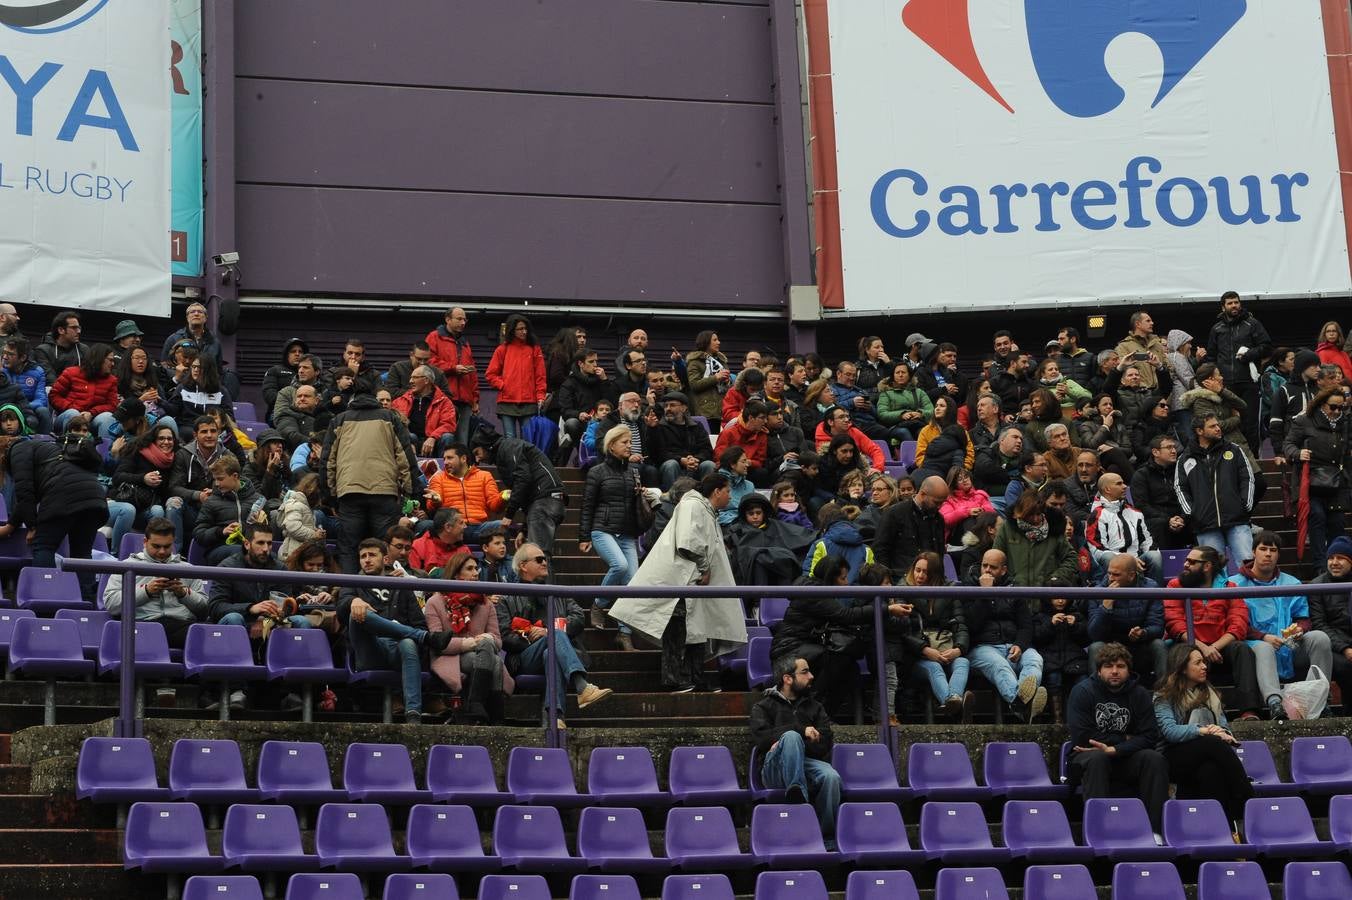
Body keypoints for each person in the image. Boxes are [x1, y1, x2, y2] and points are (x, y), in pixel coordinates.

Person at [612, 472, 747, 691]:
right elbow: (687, 542)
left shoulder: (705, 509)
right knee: (676, 630)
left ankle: (696, 677)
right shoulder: (693, 506)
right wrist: (704, 568)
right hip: (679, 580)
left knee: (698, 629)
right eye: (728, 491)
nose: (730, 496)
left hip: (692, 581)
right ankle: (672, 680)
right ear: (717, 491)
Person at [339, 538, 454, 724]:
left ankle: (413, 715)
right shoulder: (352, 582)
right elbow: (341, 610)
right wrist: (353, 601)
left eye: (372, 555)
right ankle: (426, 638)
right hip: (370, 650)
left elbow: (419, 623)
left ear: (385, 559)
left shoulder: (401, 586)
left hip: (397, 650)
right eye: (363, 556)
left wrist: (401, 632)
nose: (367, 560)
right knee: (357, 614)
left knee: (408, 642)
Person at [497, 543, 612, 726]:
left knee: (550, 653)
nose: (545, 563)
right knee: (555, 636)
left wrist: (547, 633)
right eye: (539, 559)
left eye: (546, 559)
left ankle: (555, 717)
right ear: (523, 566)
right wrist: (537, 637)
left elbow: (578, 618)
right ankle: (581, 686)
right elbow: (505, 637)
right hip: (524, 657)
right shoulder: (506, 598)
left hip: (555, 654)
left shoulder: (559, 593)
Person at [1066, 642, 1170, 837]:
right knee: (1098, 758)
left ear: (1129, 670)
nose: (1114, 671)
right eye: (1108, 666)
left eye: (1120, 666)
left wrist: (1115, 749)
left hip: (1124, 757)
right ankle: (1099, 832)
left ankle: (1155, 831)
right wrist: (1125, 738)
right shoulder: (1083, 691)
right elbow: (1083, 736)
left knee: (1154, 759)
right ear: (1098, 670)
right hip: (1086, 756)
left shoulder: (1139, 694)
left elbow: (1149, 736)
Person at [1231, 530, 1333, 721]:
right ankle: (1274, 703)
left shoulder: (1292, 582)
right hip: (1254, 644)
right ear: (1254, 552)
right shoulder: (1234, 584)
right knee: (1264, 648)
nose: (1268, 554)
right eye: (1263, 549)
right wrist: (1263, 637)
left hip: (1289, 645)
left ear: (1278, 555)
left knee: (1320, 638)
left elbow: (1303, 617)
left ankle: (1321, 700)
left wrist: (1299, 629)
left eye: (1273, 550)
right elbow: (1234, 624)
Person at [321, 376, 418, 573]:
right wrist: (411, 491)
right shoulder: (389, 418)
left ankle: (349, 592)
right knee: (383, 547)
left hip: (349, 492)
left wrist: (330, 496)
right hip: (384, 492)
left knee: (349, 547)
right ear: (374, 396)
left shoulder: (339, 420)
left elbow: (327, 462)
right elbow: (405, 457)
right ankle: (385, 594)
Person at [1154, 643, 1254, 833]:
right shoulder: (1163, 696)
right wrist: (1204, 730)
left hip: (1206, 755)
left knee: (1211, 771)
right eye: (1198, 663)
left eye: (1204, 662)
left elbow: (1223, 727)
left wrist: (1223, 734)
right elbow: (1170, 732)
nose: (1204, 667)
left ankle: (1222, 831)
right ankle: (1247, 796)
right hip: (1173, 757)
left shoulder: (1210, 694)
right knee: (1212, 743)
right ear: (1182, 667)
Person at [9, 418, 107, 602]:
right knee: (82, 554)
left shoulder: (18, 450)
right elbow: (32, 493)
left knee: (43, 545)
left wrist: (32, 526)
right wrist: (13, 523)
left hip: (63, 496)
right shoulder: (48, 449)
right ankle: (85, 601)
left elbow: (24, 491)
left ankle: (44, 597)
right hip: (94, 498)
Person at [750, 655, 843, 847]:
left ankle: (827, 838)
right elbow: (762, 739)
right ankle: (798, 796)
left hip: (806, 763)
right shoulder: (763, 706)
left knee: (831, 777)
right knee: (791, 737)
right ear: (787, 678)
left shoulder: (815, 707)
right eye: (805, 671)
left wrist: (795, 745)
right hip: (775, 767)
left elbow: (824, 744)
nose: (811, 676)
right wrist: (798, 734)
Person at [1163, 545, 1262, 719]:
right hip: (1189, 645)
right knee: (1173, 650)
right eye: (1186, 560)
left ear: (1207, 566)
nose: (1185, 564)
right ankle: (1177, 712)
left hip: (1219, 648)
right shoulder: (1175, 585)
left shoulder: (1229, 587)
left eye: (1192, 562)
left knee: (1242, 649)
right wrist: (1201, 648)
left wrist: (1213, 648)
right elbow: (1174, 623)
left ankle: (1249, 711)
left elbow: (1238, 623)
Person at [424, 551, 511, 724]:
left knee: (489, 651)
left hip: (480, 655)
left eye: (476, 568)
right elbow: (437, 642)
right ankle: (495, 715)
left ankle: (475, 703)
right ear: (456, 574)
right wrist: (468, 643)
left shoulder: (485, 603)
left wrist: (485, 640)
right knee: (494, 660)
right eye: (469, 569)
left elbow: (498, 641)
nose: (476, 573)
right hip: (449, 657)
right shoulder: (435, 602)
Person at [963, 549, 1048, 722]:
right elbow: (971, 625)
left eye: (992, 567)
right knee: (1000, 665)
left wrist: (1020, 645)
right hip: (983, 647)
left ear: (1003, 570)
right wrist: (985, 594)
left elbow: (1026, 625)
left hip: (1013, 644)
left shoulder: (1013, 589)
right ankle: (1023, 705)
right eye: (984, 566)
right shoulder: (968, 588)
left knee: (1035, 660)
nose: (987, 571)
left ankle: (1021, 703)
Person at [579, 425, 646, 643]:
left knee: (632, 584)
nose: (629, 446)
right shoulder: (596, 471)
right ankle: (598, 605)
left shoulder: (633, 471)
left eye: (630, 442)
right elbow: (587, 505)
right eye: (624, 442)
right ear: (611, 445)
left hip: (627, 532)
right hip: (602, 529)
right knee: (620, 566)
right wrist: (583, 536)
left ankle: (624, 634)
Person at [101, 517, 208, 648]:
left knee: (211, 637)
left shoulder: (187, 569)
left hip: (181, 626)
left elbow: (204, 609)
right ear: (145, 542)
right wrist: (146, 591)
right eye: (156, 546)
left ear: (173, 542)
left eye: (167, 546)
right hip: (141, 625)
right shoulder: (126, 567)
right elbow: (111, 604)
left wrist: (184, 594)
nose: (162, 551)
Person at [898, 553, 974, 723]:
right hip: (917, 656)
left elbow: (961, 625)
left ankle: (953, 700)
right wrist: (924, 649)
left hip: (946, 650)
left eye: (926, 572)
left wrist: (958, 649)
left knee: (963, 662)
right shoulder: (902, 589)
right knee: (934, 668)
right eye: (917, 570)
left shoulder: (949, 590)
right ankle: (956, 706)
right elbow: (903, 631)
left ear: (936, 575)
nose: (920, 575)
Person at [1174, 413, 1256, 569]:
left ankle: (1249, 595)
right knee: (1213, 571)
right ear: (1199, 431)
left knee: (1247, 565)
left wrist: (1245, 505)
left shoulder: (1234, 450)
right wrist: (1193, 513)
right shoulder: (1185, 458)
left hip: (1237, 519)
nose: (1218, 428)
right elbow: (1180, 488)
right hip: (1205, 523)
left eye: (1218, 425)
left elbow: (1248, 478)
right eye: (1212, 426)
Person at [472, 426, 567, 554]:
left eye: (477, 453)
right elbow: (528, 491)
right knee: (540, 556)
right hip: (548, 501)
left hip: (545, 502)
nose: (477, 459)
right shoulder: (507, 449)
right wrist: (524, 530)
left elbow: (523, 479)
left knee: (538, 557)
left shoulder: (508, 447)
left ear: (486, 445)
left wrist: (509, 514)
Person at [1283, 387, 1350, 562]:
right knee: (1317, 518)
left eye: (1341, 407)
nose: (1337, 411)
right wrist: (1298, 453)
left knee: (1338, 523)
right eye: (1333, 407)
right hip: (1310, 482)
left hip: (1337, 481)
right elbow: (1288, 444)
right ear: (1321, 404)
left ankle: (1339, 565)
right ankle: (1320, 566)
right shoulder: (1305, 420)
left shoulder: (1347, 423)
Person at [1087, 553, 1167, 685]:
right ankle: (1096, 694)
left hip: (1140, 647)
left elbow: (1157, 626)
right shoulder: (1098, 591)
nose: (1111, 579)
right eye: (1109, 573)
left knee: (1158, 645)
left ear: (1131, 575)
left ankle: (1165, 694)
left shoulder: (1151, 588)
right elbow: (1094, 634)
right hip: (1111, 648)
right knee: (1096, 647)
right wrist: (1105, 608)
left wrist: (1143, 633)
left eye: (1116, 575)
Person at [1205, 291, 1270, 451]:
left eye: (1236, 302)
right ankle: (1229, 458)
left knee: (1250, 422)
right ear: (1223, 306)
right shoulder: (1217, 328)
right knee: (1228, 421)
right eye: (1230, 303)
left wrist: (1249, 354)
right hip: (1225, 384)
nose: (1234, 305)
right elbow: (1211, 356)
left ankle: (1254, 459)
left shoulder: (1252, 323)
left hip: (1248, 382)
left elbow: (1267, 347)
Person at [112, 423, 187, 546]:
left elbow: (169, 490)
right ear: (153, 440)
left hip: (147, 508)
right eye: (161, 438)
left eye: (170, 439)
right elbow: (117, 478)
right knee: (128, 510)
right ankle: (116, 555)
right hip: (124, 503)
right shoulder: (137, 452)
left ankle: (153, 551)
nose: (166, 442)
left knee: (158, 510)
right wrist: (143, 478)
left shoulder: (175, 460)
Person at [1085, 472, 1161, 583]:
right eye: (1119, 484)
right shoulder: (1097, 514)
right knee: (1108, 557)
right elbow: (1097, 549)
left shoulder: (1135, 513)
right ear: (1107, 489)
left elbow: (1147, 542)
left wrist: (1134, 560)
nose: (1125, 486)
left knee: (1155, 555)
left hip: (1137, 560)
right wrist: (1128, 561)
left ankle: (1156, 594)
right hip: (1113, 562)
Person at [994, 491, 1078, 587]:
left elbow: (1071, 557)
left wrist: (1055, 578)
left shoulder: (1054, 529)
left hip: (1045, 595)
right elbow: (995, 557)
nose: (1035, 519)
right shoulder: (1007, 528)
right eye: (1030, 515)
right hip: (1015, 595)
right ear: (1020, 513)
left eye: (1038, 514)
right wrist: (1009, 581)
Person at [873, 474, 949, 577]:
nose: (939, 507)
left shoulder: (938, 519)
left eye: (942, 503)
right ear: (922, 494)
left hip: (930, 581)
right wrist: (887, 579)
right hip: (900, 581)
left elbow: (939, 555)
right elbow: (880, 550)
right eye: (936, 502)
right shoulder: (894, 514)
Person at [485, 314, 546, 440]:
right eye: (520, 329)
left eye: (525, 328)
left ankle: (523, 460)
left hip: (529, 402)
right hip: (507, 402)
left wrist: (540, 396)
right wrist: (503, 385)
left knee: (528, 439)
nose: (524, 331)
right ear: (512, 330)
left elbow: (540, 376)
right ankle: (511, 460)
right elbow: (490, 374)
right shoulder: (502, 349)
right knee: (510, 438)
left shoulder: (535, 349)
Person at [194, 456, 264, 566]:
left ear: (235, 476)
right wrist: (221, 531)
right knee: (240, 551)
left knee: (273, 557)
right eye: (215, 479)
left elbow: (268, 535)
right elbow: (199, 535)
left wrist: (261, 525)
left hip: (252, 548)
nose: (216, 484)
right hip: (218, 550)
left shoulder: (259, 500)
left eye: (220, 479)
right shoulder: (211, 502)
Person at [1310, 536, 1352, 714]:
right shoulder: (1316, 586)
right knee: (1346, 667)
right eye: (1331, 558)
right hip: (1334, 648)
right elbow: (1319, 624)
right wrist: (1345, 648)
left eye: (1341, 558)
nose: (1335, 562)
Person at [425, 307, 479, 444]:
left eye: (465, 319)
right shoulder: (434, 337)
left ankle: (463, 465)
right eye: (459, 319)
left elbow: (472, 373)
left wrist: (475, 400)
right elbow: (429, 362)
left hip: (465, 401)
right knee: (445, 438)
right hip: (443, 398)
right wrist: (453, 368)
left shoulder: (465, 342)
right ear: (448, 320)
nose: (463, 323)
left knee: (462, 442)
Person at [1131, 435, 1193, 550]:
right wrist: (1168, 520)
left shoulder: (1181, 470)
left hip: (1182, 517)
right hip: (1158, 519)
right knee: (1158, 524)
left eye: (1174, 447)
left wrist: (1182, 518)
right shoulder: (1142, 474)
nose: (1174, 451)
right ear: (1155, 452)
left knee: (1199, 519)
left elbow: (1190, 498)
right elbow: (1142, 505)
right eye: (1169, 447)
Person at [1034, 595, 1089, 722]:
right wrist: (1050, 624)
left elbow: (1086, 639)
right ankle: (1057, 720)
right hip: (1050, 661)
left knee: (1083, 681)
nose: (1060, 601)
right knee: (1054, 678)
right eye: (1055, 598)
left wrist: (1075, 626)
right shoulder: (1040, 617)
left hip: (1075, 661)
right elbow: (1036, 638)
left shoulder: (1078, 616)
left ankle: (1080, 720)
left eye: (1064, 597)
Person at [49, 342, 118, 438]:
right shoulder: (71, 372)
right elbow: (54, 395)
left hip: (92, 419)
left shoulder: (111, 380)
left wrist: (92, 413)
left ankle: (103, 451)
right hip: (67, 417)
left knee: (107, 417)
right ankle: (67, 449)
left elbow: (112, 405)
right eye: (110, 360)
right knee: (73, 413)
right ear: (99, 359)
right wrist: (73, 408)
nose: (113, 364)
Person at [558, 349, 617, 457]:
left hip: (600, 421)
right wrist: (578, 415)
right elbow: (565, 410)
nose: (595, 365)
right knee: (572, 423)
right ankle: (580, 452)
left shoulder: (600, 380)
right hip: (581, 422)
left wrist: (604, 380)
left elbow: (611, 403)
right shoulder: (569, 383)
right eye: (591, 362)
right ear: (580, 364)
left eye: (596, 361)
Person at [391, 365, 458, 457]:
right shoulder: (400, 401)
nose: (410, 381)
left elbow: (448, 424)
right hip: (411, 441)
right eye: (411, 378)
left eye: (415, 378)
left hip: (434, 442)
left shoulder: (444, 402)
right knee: (410, 436)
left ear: (426, 380)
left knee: (447, 437)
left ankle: (445, 469)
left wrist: (433, 437)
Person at [2, 336, 49, 434]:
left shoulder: (37, 371)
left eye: (10, 354)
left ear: (22, 357)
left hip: (27, 409)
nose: (5, 357)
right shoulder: (1, 371)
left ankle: (44, 442)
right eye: (4, 353)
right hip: (4, 408)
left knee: (43, 411)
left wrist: (20, 408)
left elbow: (41, 399)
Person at [1114, 310, 1169, 391]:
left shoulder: (1157, 344)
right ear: (1137, 324)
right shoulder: (1124, 346)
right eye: (1148, 321)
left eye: (1151, 321)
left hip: (1160, 393)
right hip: (1138, 394)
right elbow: (1123, 372)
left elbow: (1167, 366)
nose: (1152, 323)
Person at [261, 338, 311, 423]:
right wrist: (296, 403)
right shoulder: (275, 371)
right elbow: (270, 396)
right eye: (293, 351)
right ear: (286, 354)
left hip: (306, 414)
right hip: (279, 413)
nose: (297, 354)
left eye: (300, 351)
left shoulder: (310, 372)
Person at [160, 301, 222, 367]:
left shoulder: (215, 343)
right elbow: (165, 364)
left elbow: (218, 369)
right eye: (192, 312)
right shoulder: (173, 339)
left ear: (206, 318)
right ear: (187, 317)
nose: (196, 314)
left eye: (200, 312)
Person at [33, 309, 88, 382]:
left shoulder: (84, 350)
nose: (78, 331)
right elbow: (49, 378)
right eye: (74, 328)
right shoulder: (43, 351)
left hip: (77, 391)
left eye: (79, 328)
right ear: (61, 330)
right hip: (54, 390)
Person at [409, 507, 467, 573]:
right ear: (448, 527)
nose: (465, 526)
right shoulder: (418, 546)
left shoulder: (464, 550)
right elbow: (413, 578)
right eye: (461, 523)